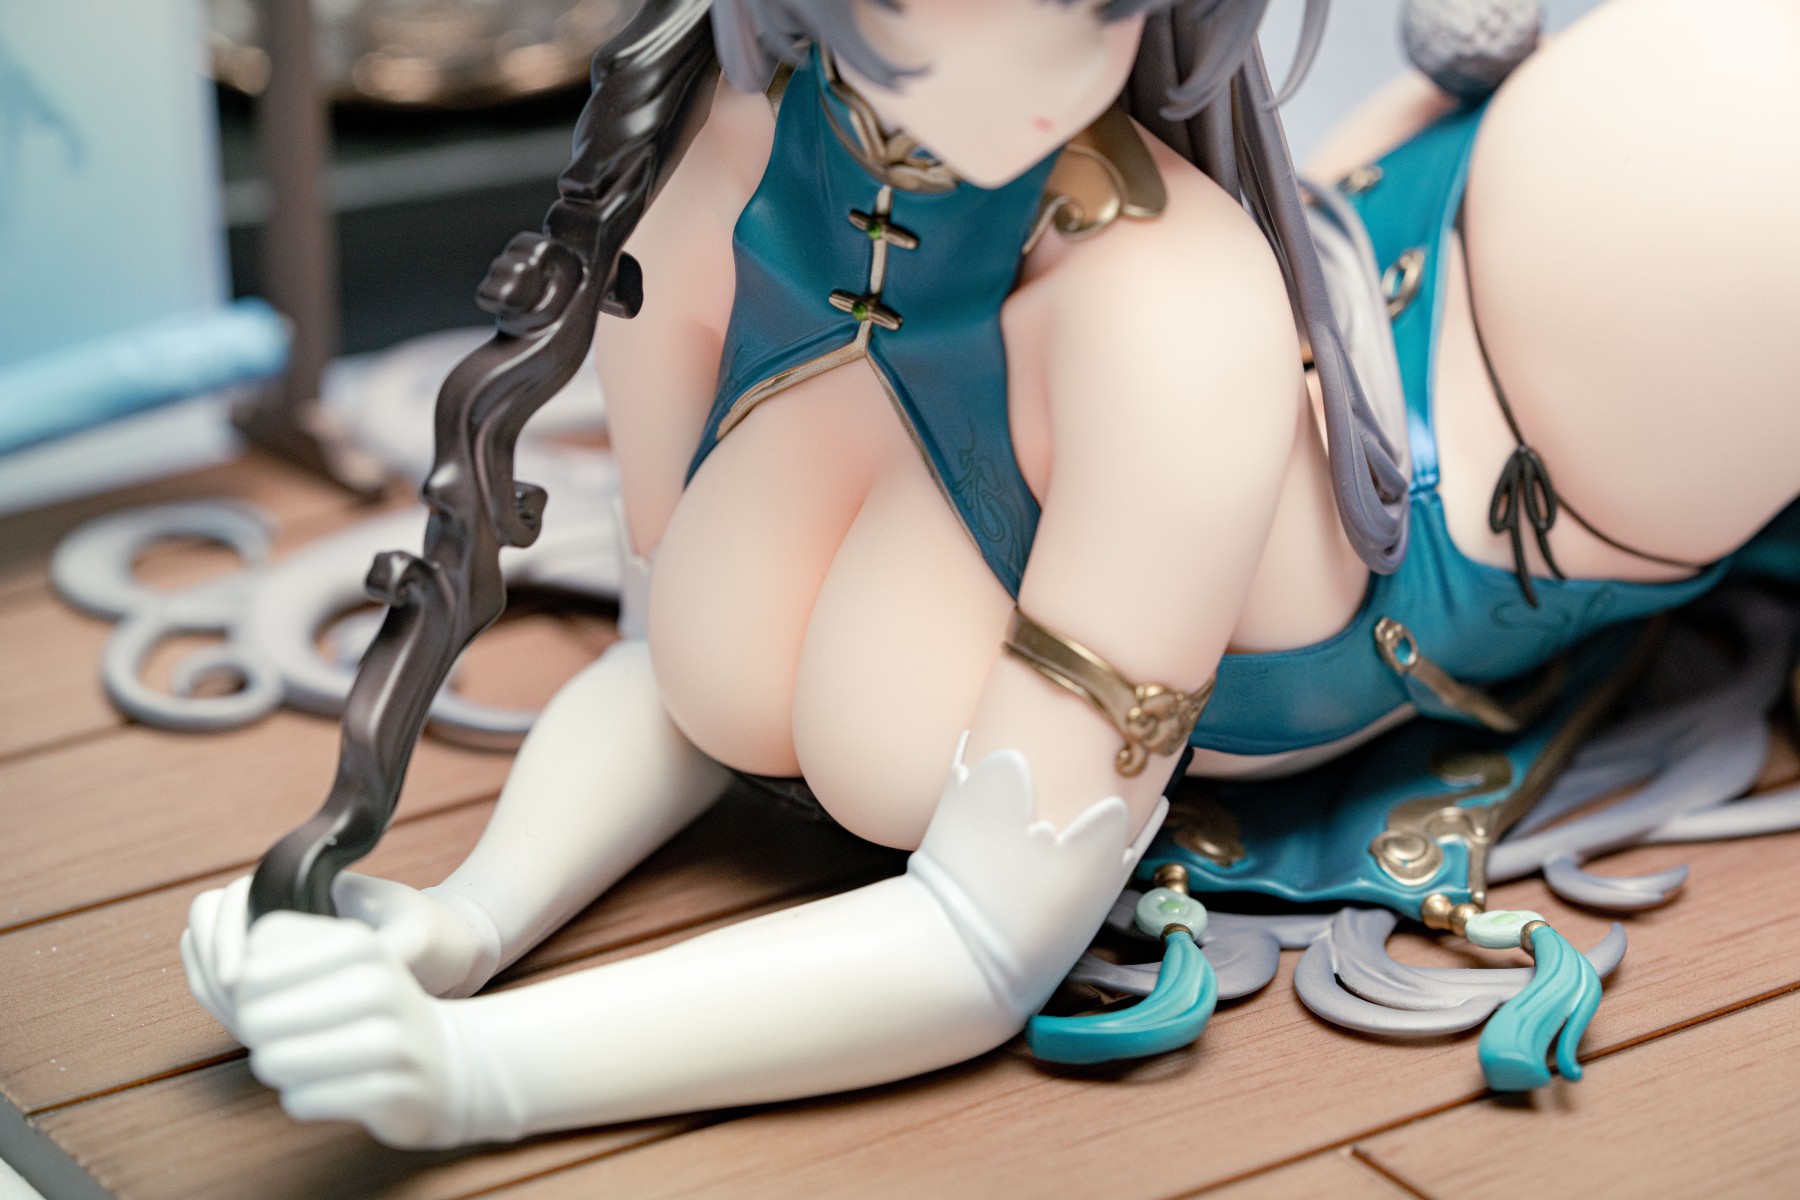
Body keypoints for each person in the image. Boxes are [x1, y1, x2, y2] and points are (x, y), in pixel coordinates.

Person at [181, 0, 1800, 1148]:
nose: (1062, 45)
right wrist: (455, 925)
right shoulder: (717, 172)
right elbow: (672, 673)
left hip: (1559, 397)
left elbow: (981, 939)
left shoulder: (1164, 311)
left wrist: (483, 1075)